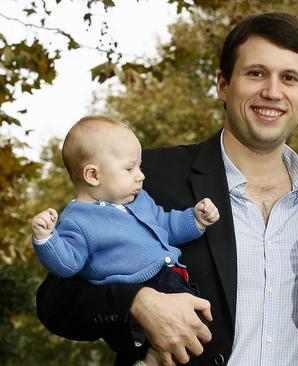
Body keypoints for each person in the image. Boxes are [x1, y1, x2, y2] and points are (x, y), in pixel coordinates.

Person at [36, 12, 298, 366]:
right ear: (223, 84)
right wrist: (136, 303)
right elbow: (56, 301)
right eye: (256, 73)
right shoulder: (145, 178)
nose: (272, 91)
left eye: (289, 78)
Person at [31, 116, 219, 364]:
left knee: (197, 319)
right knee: (179, 328)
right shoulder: (78, 221)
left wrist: (195, 220)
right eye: (130, 169)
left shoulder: (139, 200)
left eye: (139, 167)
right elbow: (68, 262)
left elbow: (164, 224)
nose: (141, 176)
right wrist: (46, 239)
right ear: (93, 175)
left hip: (170, 277)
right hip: (142, 284)